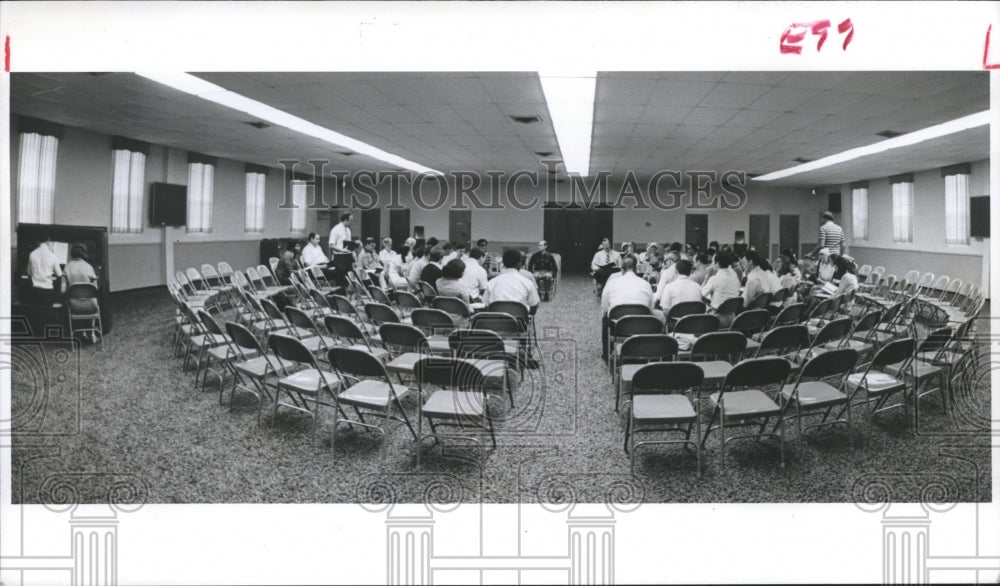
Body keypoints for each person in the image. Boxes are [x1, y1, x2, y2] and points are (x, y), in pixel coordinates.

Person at [600, 255, 662, 361]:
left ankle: (607, 354)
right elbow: (650, 309)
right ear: (636, 268)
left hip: (618, 328)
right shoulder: (645, 284)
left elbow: (605, 309)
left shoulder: (612, 283)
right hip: (643, 326)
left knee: (605, 318)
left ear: (621, 269)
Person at [27, 231, 64, 307]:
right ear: (48, 240)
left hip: (34, 291)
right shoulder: (52, 256)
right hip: (47, 292)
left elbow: (29, 272)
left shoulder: (32, 254)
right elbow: (59, 274)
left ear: (38, 240)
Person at [701, 249, 742, 313]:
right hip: (732, 316)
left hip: (716, 315)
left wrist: (707, 277)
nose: (711, 264)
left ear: (717, 264)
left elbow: (701, 295)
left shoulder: (714, 279)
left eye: (712, 262)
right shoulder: (735, 277)